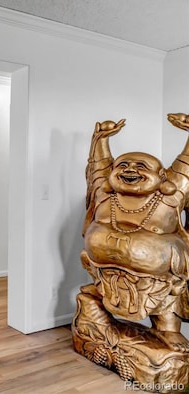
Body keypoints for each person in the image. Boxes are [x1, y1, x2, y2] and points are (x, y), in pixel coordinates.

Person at [81, 114, 189, 353]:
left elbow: (186, 169)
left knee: (167, 300)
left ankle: (167, 329)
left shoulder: (169, 197)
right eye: (123, 165)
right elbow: (99, 167)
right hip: (103, 268)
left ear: (163, 178)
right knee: (97, 294)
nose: (130, 170)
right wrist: (100, 138)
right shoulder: (105, 193)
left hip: (157, 278)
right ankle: (98, 307)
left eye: (141, 167)